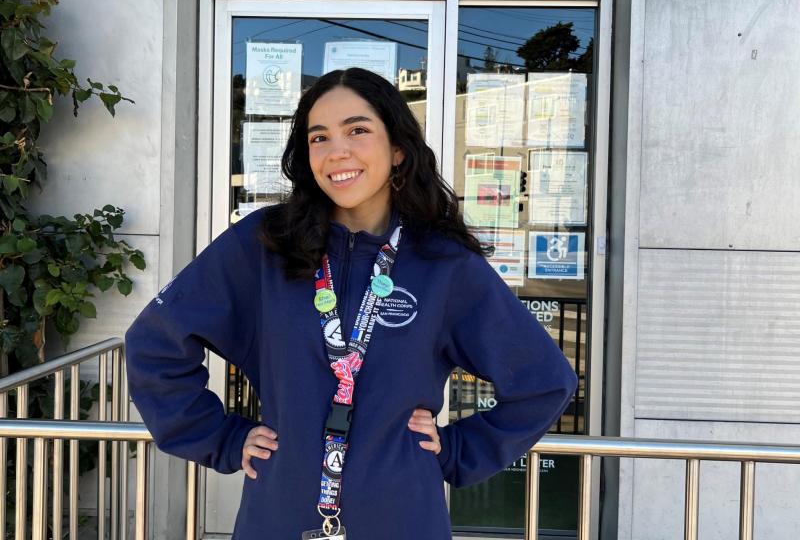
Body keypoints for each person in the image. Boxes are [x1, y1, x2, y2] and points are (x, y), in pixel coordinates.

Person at [125, 67, 577, 540]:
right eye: (319, 137)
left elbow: (544, 382)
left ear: (397, 148)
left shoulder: (443, 264)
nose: (336, 151)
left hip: (402, 521)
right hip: (279, 521)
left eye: (358, 130)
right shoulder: (264, 245)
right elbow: (155, 344)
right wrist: (223, 438)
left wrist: (456, 450)